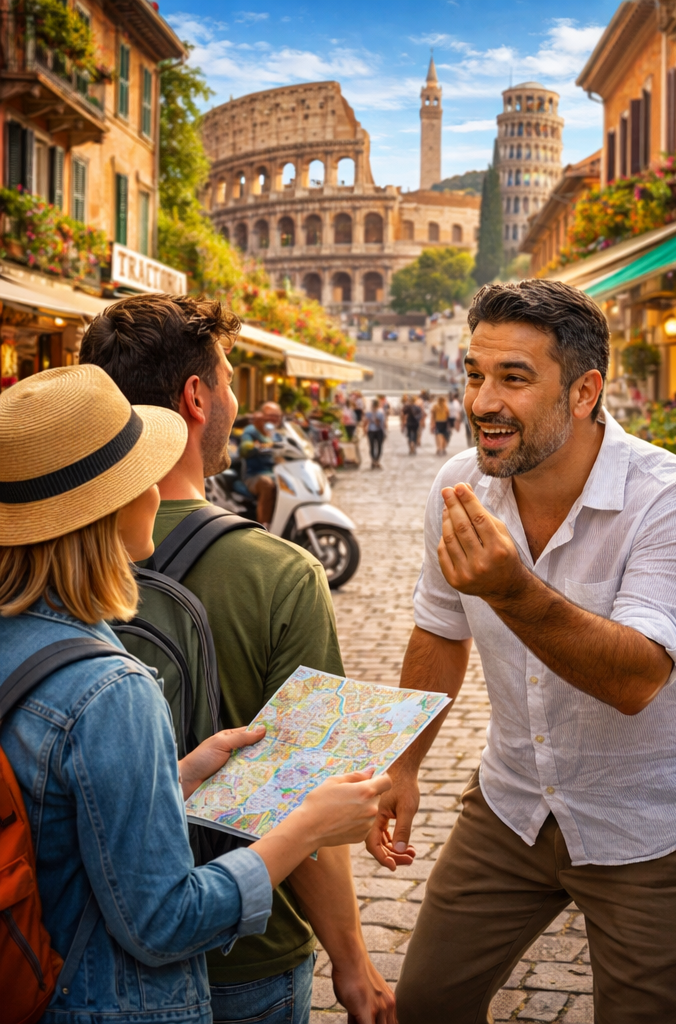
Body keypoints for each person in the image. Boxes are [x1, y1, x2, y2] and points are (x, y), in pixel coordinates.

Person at [372, 280, 676, 1024]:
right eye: (474, 374)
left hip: (652, 824)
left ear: (583, 392)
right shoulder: (459, 485)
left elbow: (636, 678)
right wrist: (402, 763)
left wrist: (513, 589)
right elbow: (441, 627)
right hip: (511, 806)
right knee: (428, 1006)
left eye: (513, 378)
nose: (480, 403)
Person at [0, 365, 389, 1024]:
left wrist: (175, 778)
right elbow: (164, 919)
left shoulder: (23, 637)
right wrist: (306, 828)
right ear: (114, 508)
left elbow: (62, 819)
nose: (159, 489)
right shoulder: (111, 690)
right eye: (143, 476)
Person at [238, 401, 283, 528]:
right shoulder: (251, 430)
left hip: (275, 473)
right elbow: (244, 448)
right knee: (267, 484)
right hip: (254, 475)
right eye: (270, 415)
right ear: (261, 415)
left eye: (277, 416)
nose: (274, 419)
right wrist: (256, 446)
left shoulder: (276, 434)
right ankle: (264, 527)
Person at [364, 397, 388, 469]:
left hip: (371, 431)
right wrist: (385, 430)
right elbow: (384, 424)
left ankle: (373, 461)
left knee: (372, 446)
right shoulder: (380, 412)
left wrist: (364, 430)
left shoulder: (368, 413)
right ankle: (377, 461)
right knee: (379, 446)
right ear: (378, 405)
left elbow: (365, 422)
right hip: (379, 431)